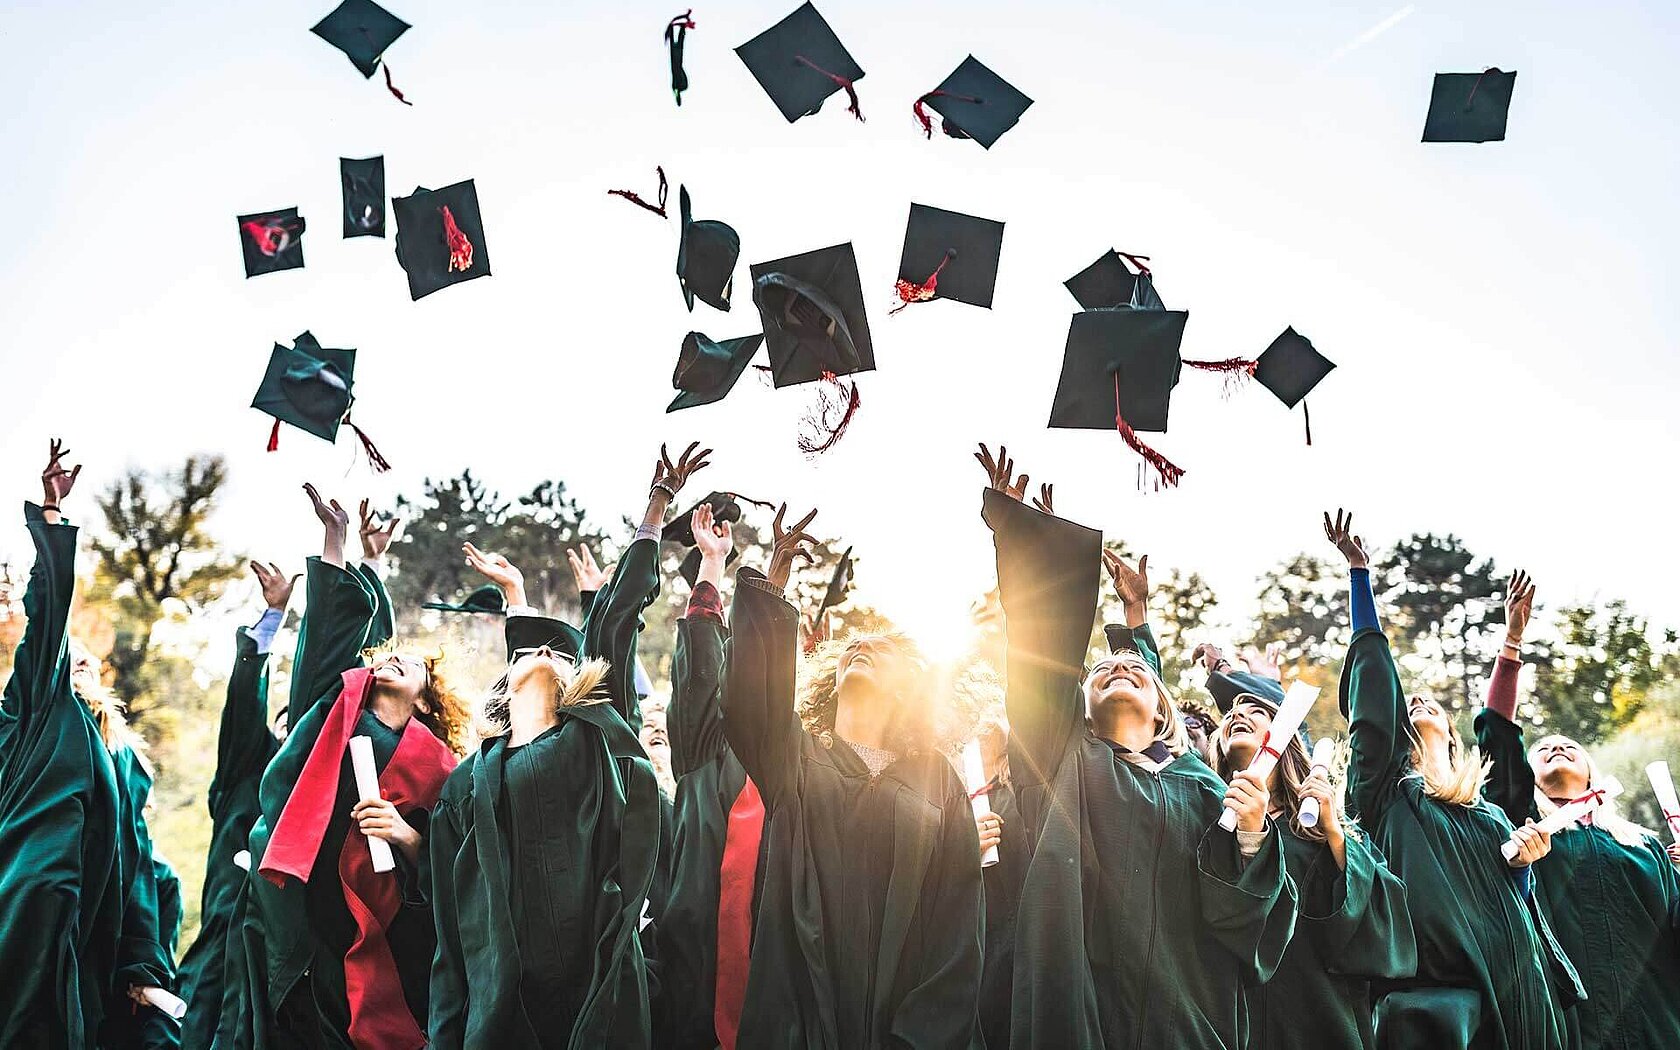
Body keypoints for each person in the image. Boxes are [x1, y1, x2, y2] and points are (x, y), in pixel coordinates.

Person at [977, 442, 1296, 1049]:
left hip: (1188, 1019)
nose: (1117, 670)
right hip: (1081, 1015)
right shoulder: (1064, 758)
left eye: (1137, 674)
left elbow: (1248, 921)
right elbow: (1040, 661)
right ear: (1081, 706)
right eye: (1101, 671)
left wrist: (1254, 834)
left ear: (1163, 710)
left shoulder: (1203, 789)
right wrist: (1025, 542)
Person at [427, 442, 708, 1048]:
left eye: (563, 653)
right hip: (505, 1006)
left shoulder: (594, 743)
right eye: (536, 648)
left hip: (599, 993)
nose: (551, 655)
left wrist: (655, 512)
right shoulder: (468, 784)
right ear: (508, 672)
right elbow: (453, 936)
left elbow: (613, 625)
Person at [722, 499, 984, 1047]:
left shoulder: (938, 782)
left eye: (878, 650)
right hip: (801, 1016)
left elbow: (960, 926)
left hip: (908, 1025)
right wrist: (775, 582)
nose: (860, 648)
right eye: (852, 648)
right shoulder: (793, 755)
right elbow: (751, 703)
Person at [1327, 509, 1582, 1050]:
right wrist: (1359, 576)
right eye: (1406, 704)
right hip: (1443, 1008)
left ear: (1449, 728)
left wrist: (1524, 866)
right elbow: (1373, 700)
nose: (1415, 701)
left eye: (1431, 703)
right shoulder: (1387, 796)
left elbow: (1517, 902)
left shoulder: (1488, 814)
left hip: (1520, 991)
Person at [239, 490, 464, 1049]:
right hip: (299, 911)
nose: (391, 658)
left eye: (409, 663)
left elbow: (459, 862)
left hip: (377, 935)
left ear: (428, 701)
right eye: (387, 655)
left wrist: (407, 835)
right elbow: (328, 636)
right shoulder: (334, 712)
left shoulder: (442, 769)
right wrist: (336, 540)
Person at [0, 440, 175, 1047]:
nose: (74, 666)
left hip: (88, 928)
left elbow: (141, 869)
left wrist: (141, 963)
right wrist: (50, 519)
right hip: (23, 910)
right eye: (62, 660)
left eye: (86, 665)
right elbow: (46, 622)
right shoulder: (29, 715)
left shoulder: (119, 759)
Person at [1475, 570, 1680, 1050]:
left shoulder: (1645, 846)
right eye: (1543, 747)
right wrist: (1512, 642)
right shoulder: (1524, 830)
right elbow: (1498, 736)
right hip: (1565, 1026)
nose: (1557, 746)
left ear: (1592, 774)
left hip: (1659, 1024)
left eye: (1569, 745)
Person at [1210, 684, 1417, 1049]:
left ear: (1286, 741)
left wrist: (1335, 838)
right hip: (1232, 1021)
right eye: (1229, 715)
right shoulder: (1206, 829)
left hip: (1320, 1018)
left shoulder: (1322, 831)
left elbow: (1386, 928)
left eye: (1257, 711)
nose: (1237, 715)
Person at [655, 500, 774, 1050]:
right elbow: (702, 667)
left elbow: (768, 662)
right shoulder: (704, 755)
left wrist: (776, 581)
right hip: (694, 973)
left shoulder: (788, 768)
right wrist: (711, 564)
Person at [175, 562, 293, 1049]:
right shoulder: (249, 768)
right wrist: (274, 616)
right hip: (221, 942)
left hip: (283, 954)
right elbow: (245, 702)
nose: (293, 730)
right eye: (285, 722)